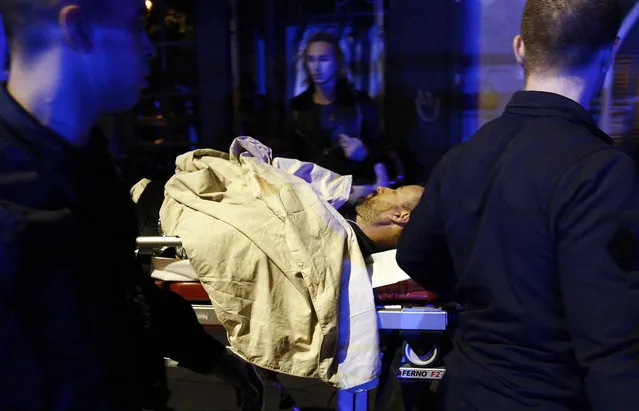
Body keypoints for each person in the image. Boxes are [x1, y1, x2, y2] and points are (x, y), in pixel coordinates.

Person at [0, 1, 262, 410]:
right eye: (137, 26)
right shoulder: (14, 190)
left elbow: (120, 286)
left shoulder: (84, 155)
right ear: (80, 27)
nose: (149, 47)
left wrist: (210, 357)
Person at [397, 1, 639, 410]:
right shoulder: (602, 172)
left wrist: (494, 293)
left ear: (519, 47)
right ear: (612, 50)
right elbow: (612, 346)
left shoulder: (463, 156)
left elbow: (415, 253)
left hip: (466, 393)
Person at [283, 31, 387, 186]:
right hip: (310, 192)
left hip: (352, 189)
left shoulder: (360, 104)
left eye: (324, 59)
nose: (317, 67)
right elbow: (286, 155)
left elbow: (381, 150)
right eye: (311, 59)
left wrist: (365, 152)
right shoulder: (296, 107)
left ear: (337, 62)